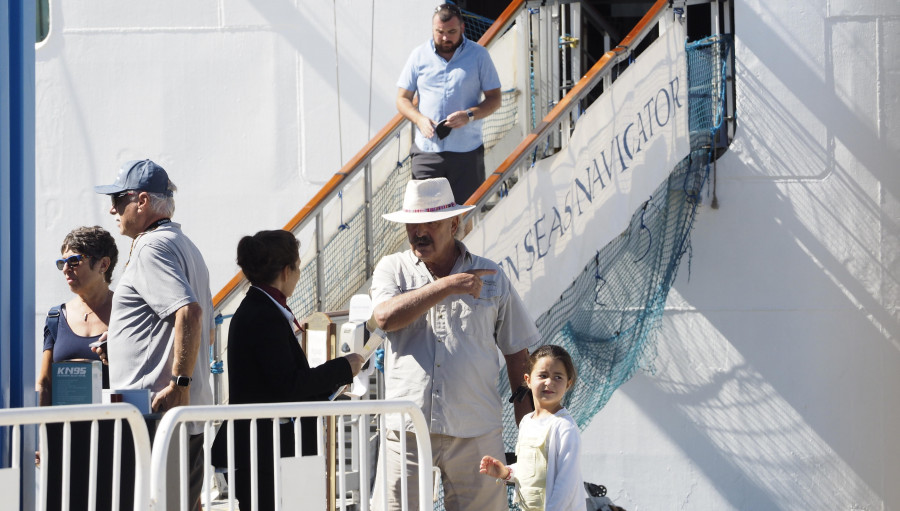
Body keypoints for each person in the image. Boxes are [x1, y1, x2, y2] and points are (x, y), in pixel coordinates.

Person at [370, 177, 538, 511]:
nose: (419, 232)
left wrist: (531, 434)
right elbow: (385, 318)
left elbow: (518, 356)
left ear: (454, 223)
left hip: (476, 433)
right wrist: (447, 286)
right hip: (407, 431)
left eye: (430, 222)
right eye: (413, 224)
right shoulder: (392, 268)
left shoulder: (491, 275)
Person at [211, 229, 364, 511]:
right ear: (286, 271)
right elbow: (290, 385)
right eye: (298, 267)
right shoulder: (263, 315)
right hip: (266, 454)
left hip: (266, 450)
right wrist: (345, 367)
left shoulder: (259, 309)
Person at [94, 159, 214, 511]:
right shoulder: (185, 245)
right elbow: (202, 331)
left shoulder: (151, 247)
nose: (111, 208)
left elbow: (189, 313)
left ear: (142, 201)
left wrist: (179, 383)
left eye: (118, 199)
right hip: (176, 417)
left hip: (156, 414)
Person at [37, 226, 119, 511]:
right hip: (65, 441)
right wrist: (42, 438)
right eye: (62, 263)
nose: (66, 269)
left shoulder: (127, 313)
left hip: (115, 440)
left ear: (103, 264)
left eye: (75, 261)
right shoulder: (54, 317)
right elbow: (44, 383)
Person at [396, 3, 502, 204]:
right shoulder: (418, 55)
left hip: (466, 153)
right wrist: (419, 120)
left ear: (462, 28)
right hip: (427, 152)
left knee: (464, 218)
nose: (445, 38)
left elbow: (495, 99)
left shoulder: (479, 55)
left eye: (451, 32)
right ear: (433, 29)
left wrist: (468, 115)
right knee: (425, 221)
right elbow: (402, 99)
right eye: (440, 32)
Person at [479, 345, 585, 511]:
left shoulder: (564, 427)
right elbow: (531, 469)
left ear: (568, 384)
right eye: (542, 375)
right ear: (528, 380)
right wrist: (506, 473)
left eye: (558, 377)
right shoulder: (526, 422)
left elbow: (567, 483)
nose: (549, 382)